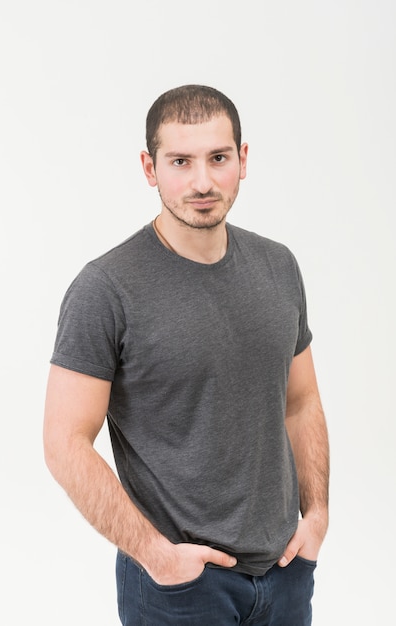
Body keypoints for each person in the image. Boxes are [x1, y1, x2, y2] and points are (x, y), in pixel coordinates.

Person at [43, 84, 329, 625]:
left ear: (242, 161)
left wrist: (316, 516)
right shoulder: (105, 288)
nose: (202, 181)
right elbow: (64, 442)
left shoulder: (278, 266)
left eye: (218, 158)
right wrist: (156, 557)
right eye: (180, 161)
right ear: (150, 168)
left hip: (287, 571)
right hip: (180, 586)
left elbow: (301, 400)